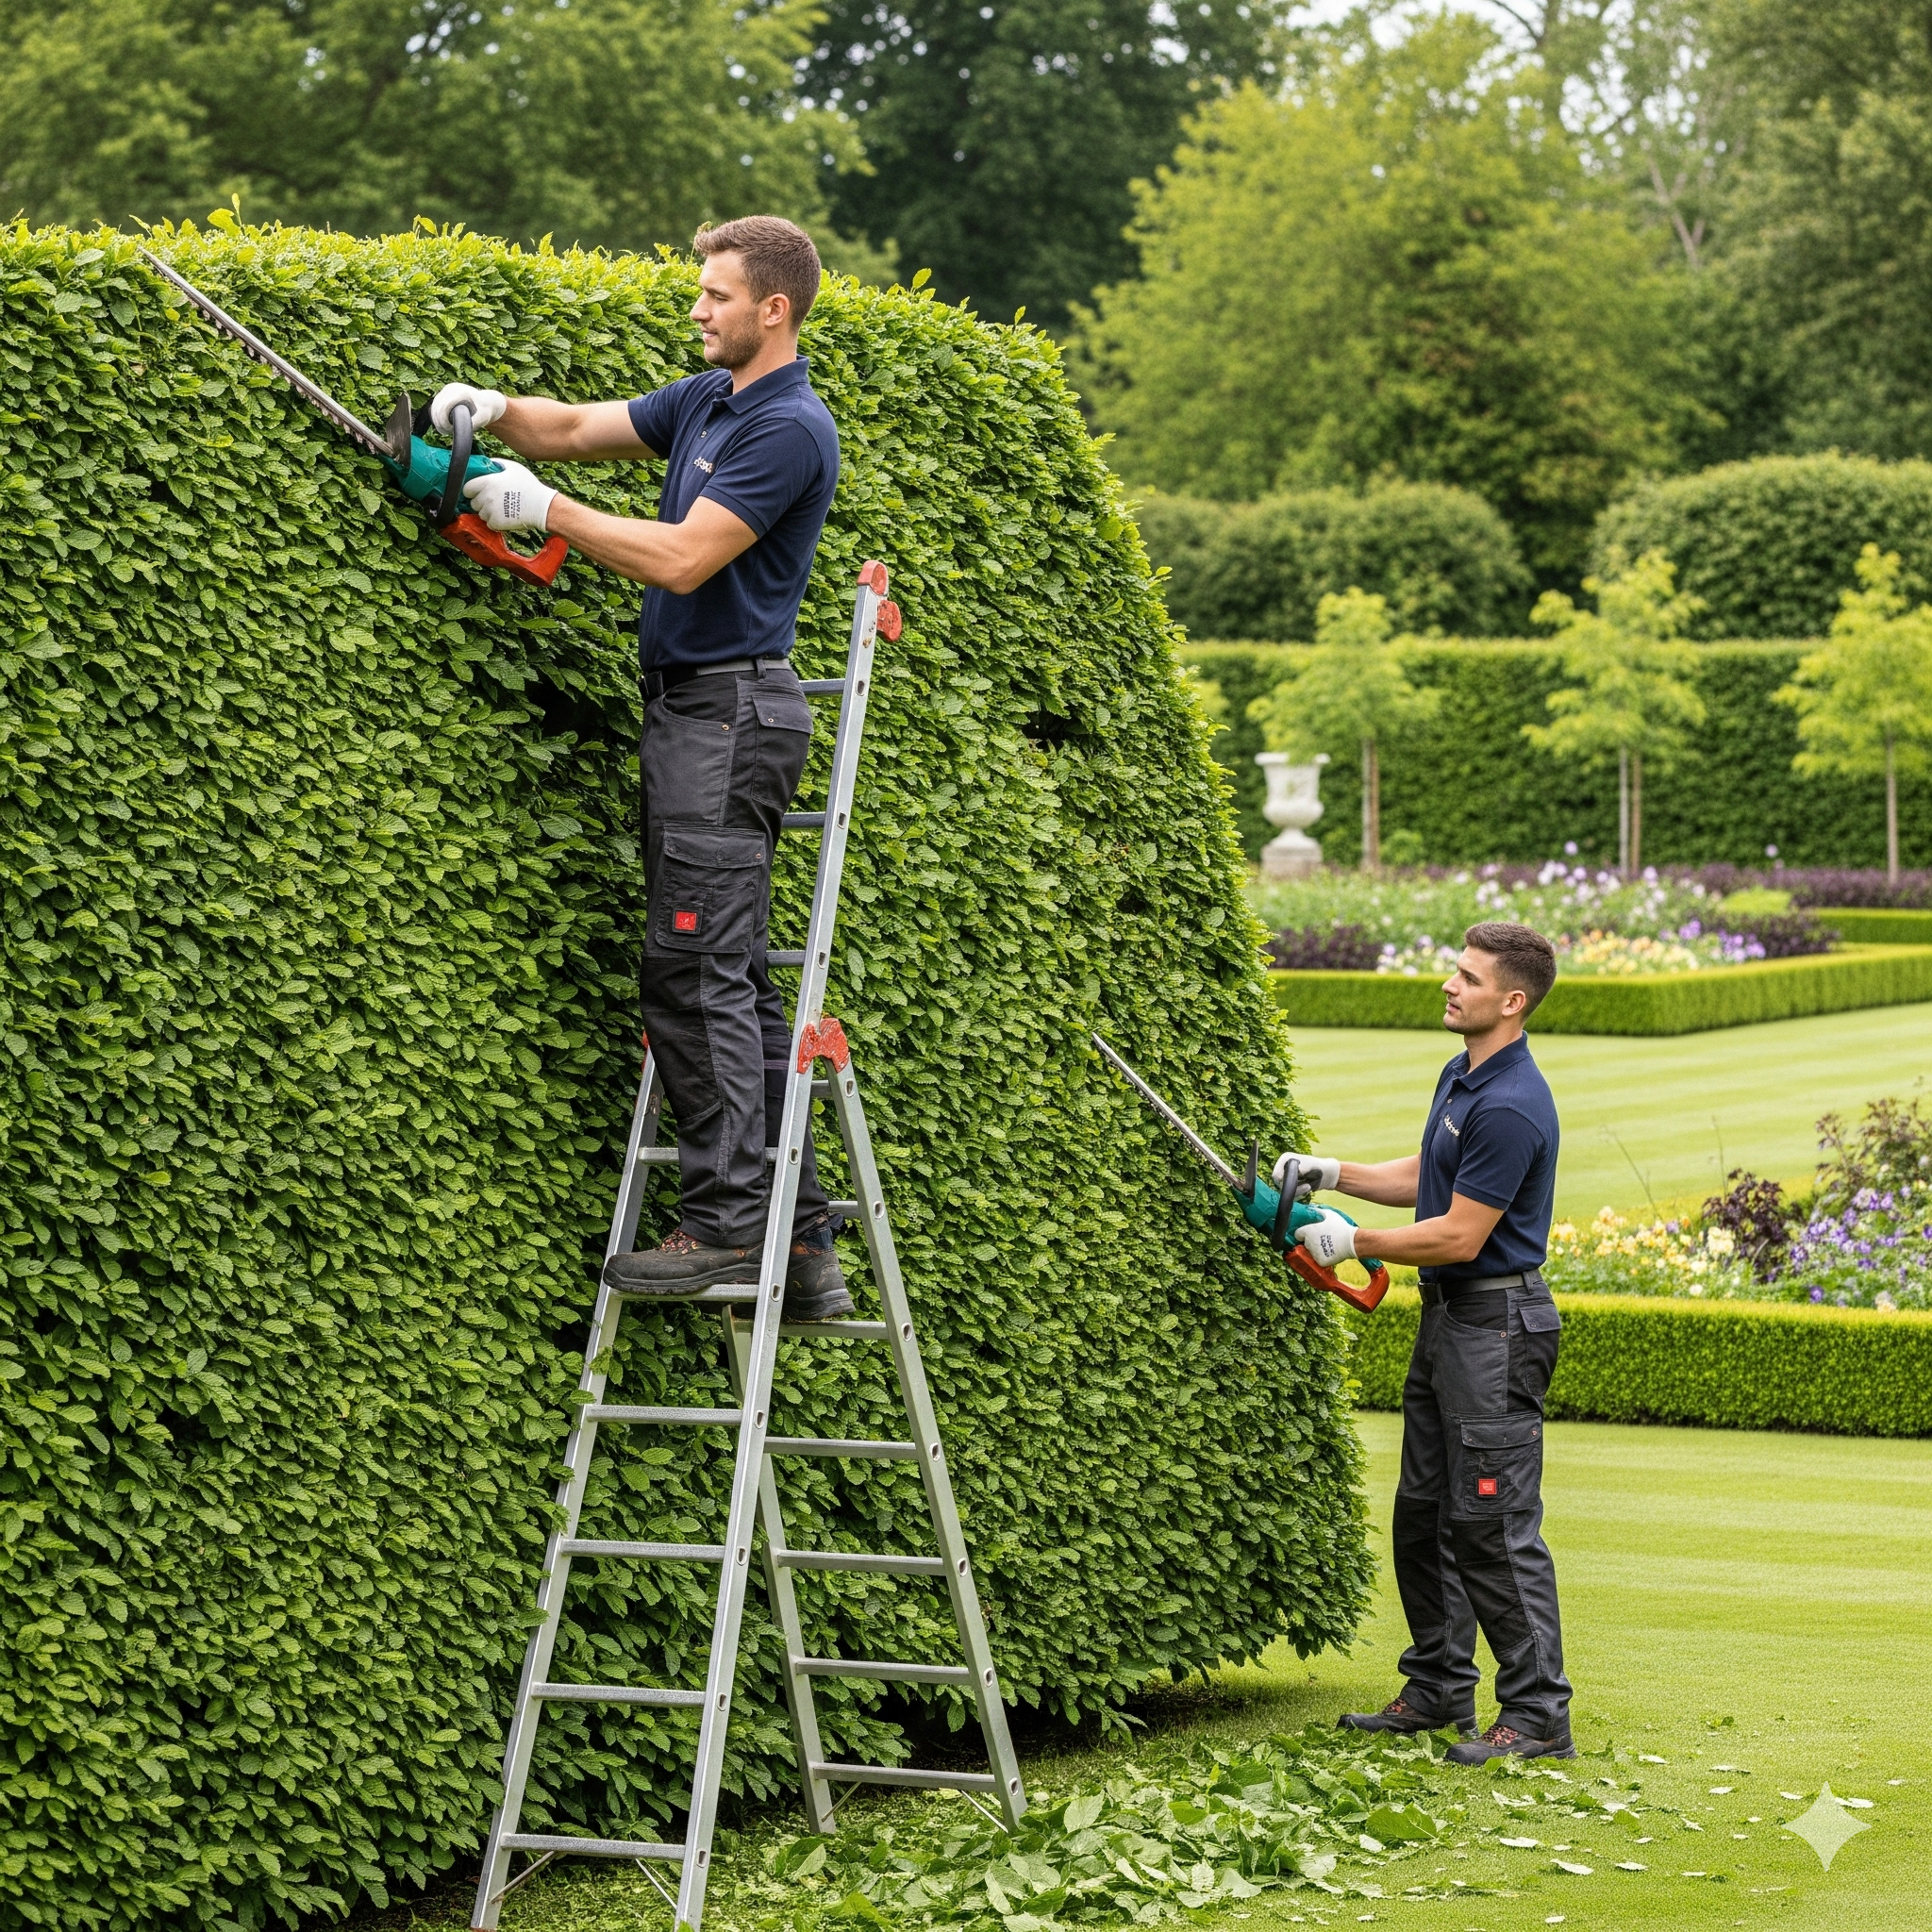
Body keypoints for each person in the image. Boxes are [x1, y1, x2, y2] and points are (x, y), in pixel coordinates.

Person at [433, 215, 851, 1318]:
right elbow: (573, 425)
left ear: (773, 309)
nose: (697, 309)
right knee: (733, 977)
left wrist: (546, 509)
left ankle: (721, 1227)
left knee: (691, 970)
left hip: (726, 719)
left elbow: (681, 556)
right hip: (695, 720)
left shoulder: (789, 426)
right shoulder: (705, 401)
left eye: (715, 296)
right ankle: (802, 1244)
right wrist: (492, 413)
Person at [1282, 921, 1572, 1763]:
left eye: (1468, 977)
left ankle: (1539, 1716)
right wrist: (1333, 1175)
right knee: (1425, 1516)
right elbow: (1430, 1177)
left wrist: (1355, 1243)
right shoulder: (1465, 1075)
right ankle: (1440, 1686)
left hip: (1498, 1325)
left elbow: (1458, 1235)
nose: (1450, 985)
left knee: (1492, 1521)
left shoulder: (1515, 1103)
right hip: (1449, 1324)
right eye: (1455, 970)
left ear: (1511, 1002)